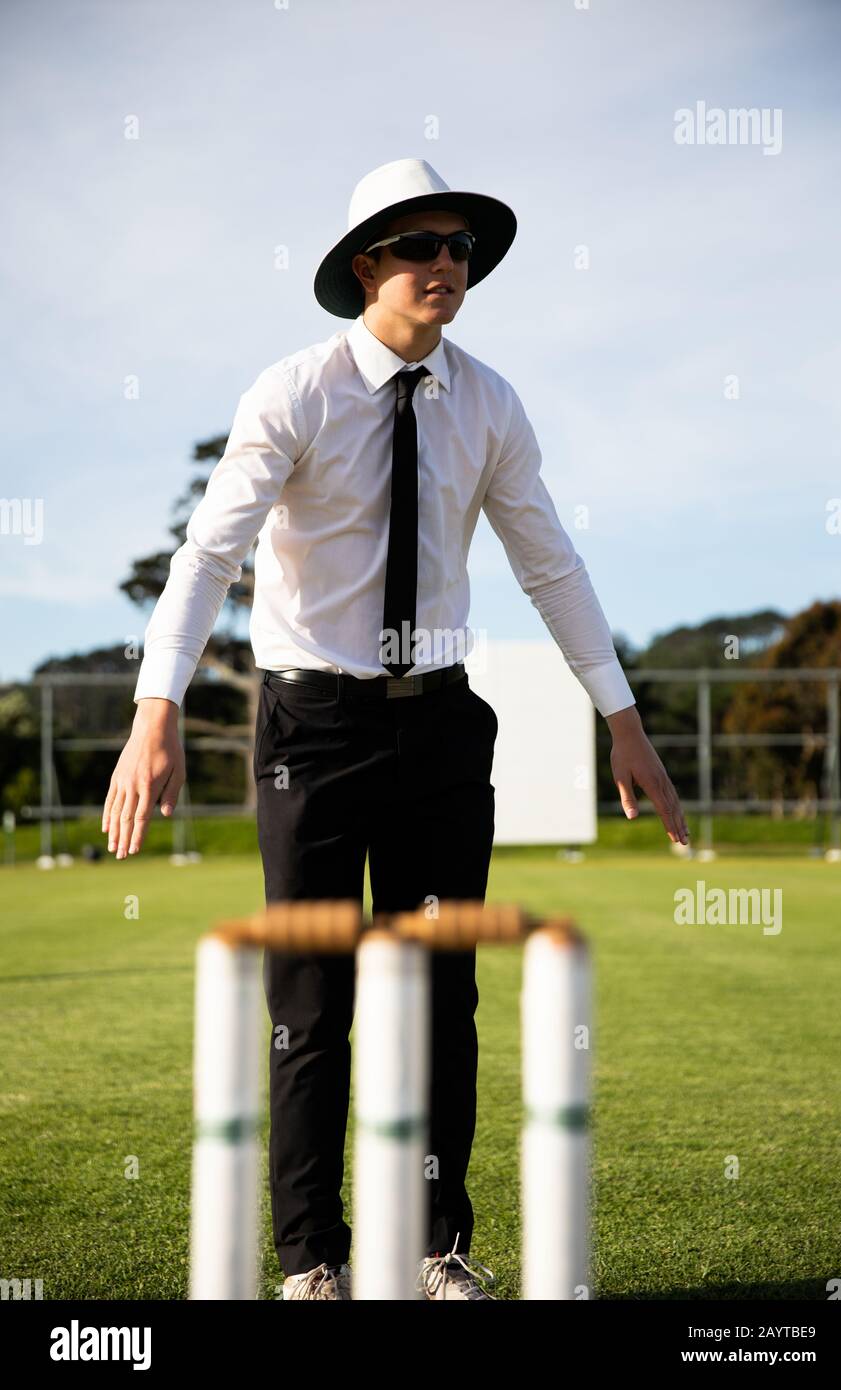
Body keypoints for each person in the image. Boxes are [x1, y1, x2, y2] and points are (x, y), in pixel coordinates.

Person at [101, 157, 689, 1301]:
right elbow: (208, 555)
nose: (443, 267)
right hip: (310, 728)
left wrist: (621, 718)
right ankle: (312, 1260)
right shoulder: (294, 391)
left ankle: (434, 1249)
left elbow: (547, 565)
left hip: (439, 736)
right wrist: (152, 711)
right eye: (418, 247)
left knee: (440, 992)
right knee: (311, 1004)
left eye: (459, 248)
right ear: (366, 265)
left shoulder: (490, 402)